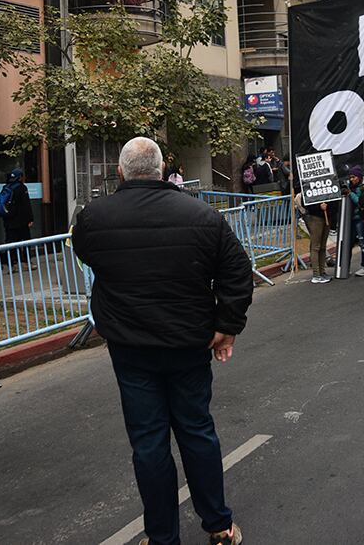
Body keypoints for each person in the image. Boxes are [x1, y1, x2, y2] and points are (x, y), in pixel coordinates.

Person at [72, 137, 251, 545]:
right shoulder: (202, 215)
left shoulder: (95, 217)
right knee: (196, 431)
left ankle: (161, 537)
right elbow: (237, 274)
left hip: (131, 348)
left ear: (120, 172)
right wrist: (227, 325)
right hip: (189, 344)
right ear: (161, 169)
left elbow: (87, 253)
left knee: (149, 443)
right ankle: (219, 525)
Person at [299, 189, 335, 284]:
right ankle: (316, 274)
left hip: (327, 216)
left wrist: (328, 206)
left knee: (323, 247)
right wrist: (319, 207)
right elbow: (305, 202)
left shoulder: (328, 182)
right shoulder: (308, 185)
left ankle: (322, 271)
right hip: (315, 218)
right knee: (316, 246)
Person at [0, 168, 34, 249]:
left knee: (11, 241)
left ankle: (12, 259)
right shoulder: (22, 188)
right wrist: (30, 219)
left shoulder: (6, 187)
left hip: (8, 220)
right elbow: (26, 205)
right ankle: (25, 258)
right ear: (20, 177)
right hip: (21, 221)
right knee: (25, 241)